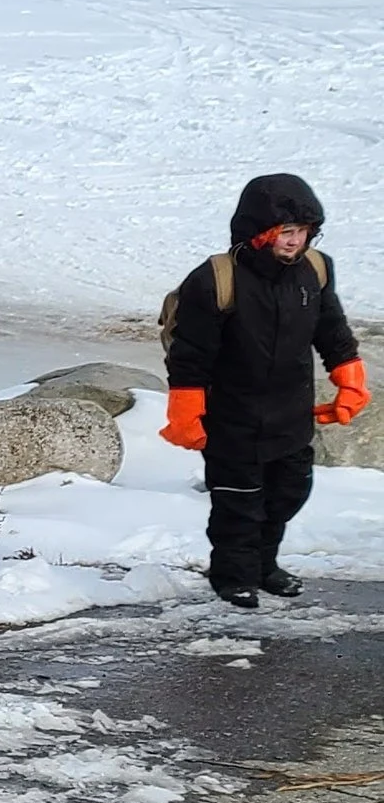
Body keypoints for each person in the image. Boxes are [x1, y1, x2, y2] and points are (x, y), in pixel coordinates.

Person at [161, 172, 366, 606]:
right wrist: (185, 410)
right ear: (259, 232)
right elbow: (190, 354)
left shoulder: (315, 269)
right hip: (232, 415)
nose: (295, 241)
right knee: (239, 502)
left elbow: (332, 329)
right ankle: (232, 575)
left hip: (290, 413)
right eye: (285, 232)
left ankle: (265, 565)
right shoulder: (215, 279)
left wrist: (349, 378)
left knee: (288, 491)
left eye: (303, 232)